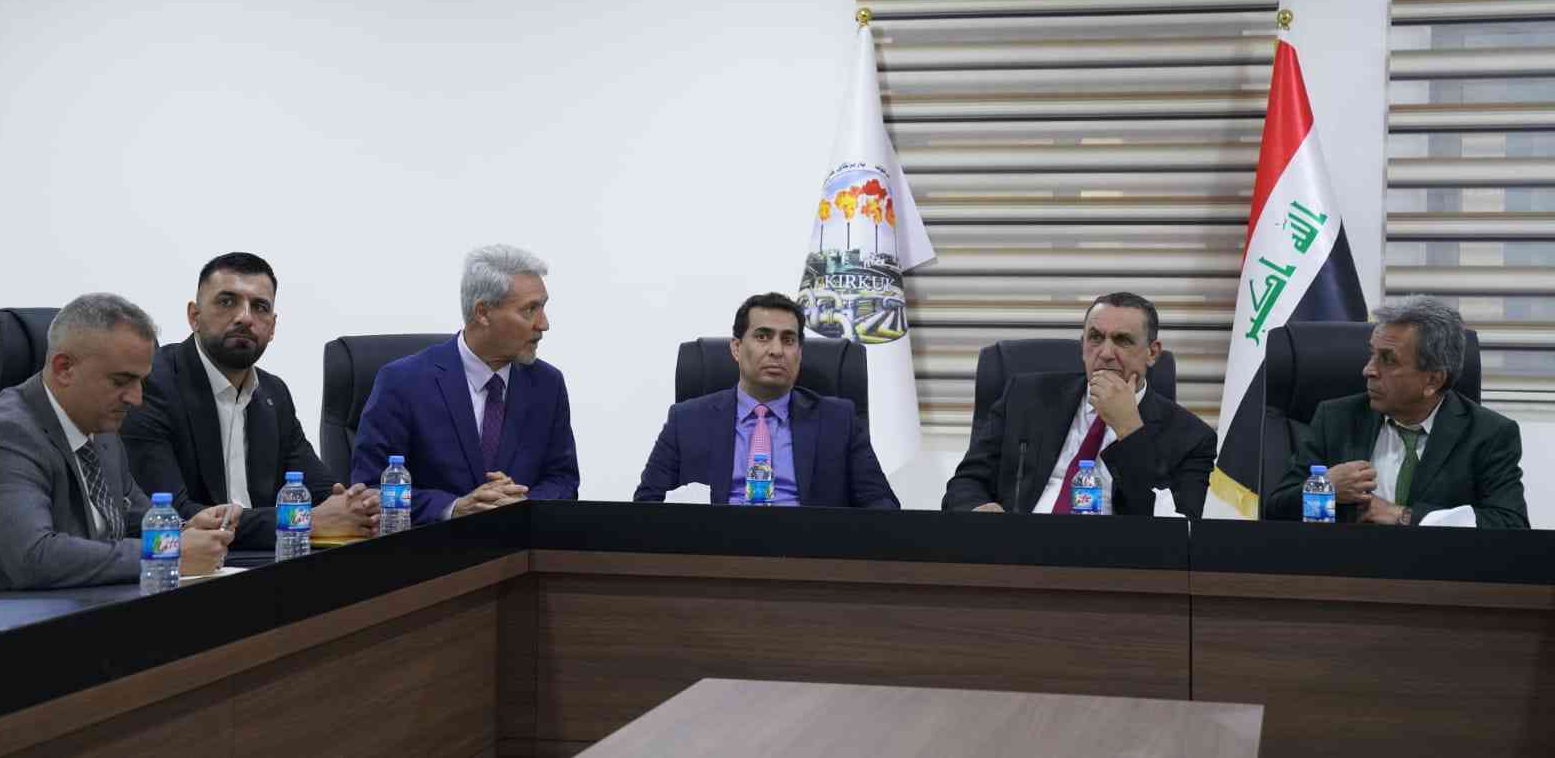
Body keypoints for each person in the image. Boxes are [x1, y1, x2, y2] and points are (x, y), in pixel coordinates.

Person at [0, 294, 234, 598]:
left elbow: (137, 521)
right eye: (121, 381)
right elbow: (35, 557)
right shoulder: (2, 437)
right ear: (64, 368)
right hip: (6, 620)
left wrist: (186, 531)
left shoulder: (101, 430)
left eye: (141, 382)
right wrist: (168, 550)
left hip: (90, 606)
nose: (136, 399)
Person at [123, 253, 378, 550]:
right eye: (226, 302)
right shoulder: (152, 384)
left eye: (260, 307)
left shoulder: (274, 393)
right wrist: (302, 521)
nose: (245, 317)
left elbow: (320, 492)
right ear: (194, 316)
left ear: (272, 327)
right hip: (190, 564)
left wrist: (357, 506)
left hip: (266, 559)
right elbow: (170, 515)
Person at [351, 245, 578, 523]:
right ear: (483, 312)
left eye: (543, 307)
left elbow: (563, 479)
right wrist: (454, 508)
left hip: (519, 545)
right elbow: (371, 488)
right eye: (530, 310)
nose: (543, 324)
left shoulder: (547, 384)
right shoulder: (403, 382)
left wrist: (523, 504)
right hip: (433, 547)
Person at [942, 292, 1216, 517]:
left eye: (1122, 340)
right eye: (1095, 338)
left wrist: (1129, 429)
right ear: (1082, 345)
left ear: (1152, 353)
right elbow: (967, 482)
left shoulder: (1192, 438)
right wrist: (980, 509)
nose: (1106, 353)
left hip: (1110, 559)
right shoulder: (1025, 397)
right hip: (1016, 548)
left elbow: (1176, 529)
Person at [1264, 295, 1528, 527]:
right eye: (1372, 354)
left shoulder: (1488, 434)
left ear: (1433, 380)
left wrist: (1404, 516)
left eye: (1388, 360)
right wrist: (1325, 488)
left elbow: (1510, 525)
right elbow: (1274, 510)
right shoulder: (1336, 418)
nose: (1368, 370)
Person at [634, 292, 899, 508]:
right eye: (763, 337)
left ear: (799, 353)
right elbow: (647, 504)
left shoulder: (838, 420)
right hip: (715, 549)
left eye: (788, 340)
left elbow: (881, 504)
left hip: (807, 548)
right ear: (736, 348)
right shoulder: (687, 420)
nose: (776, 350)